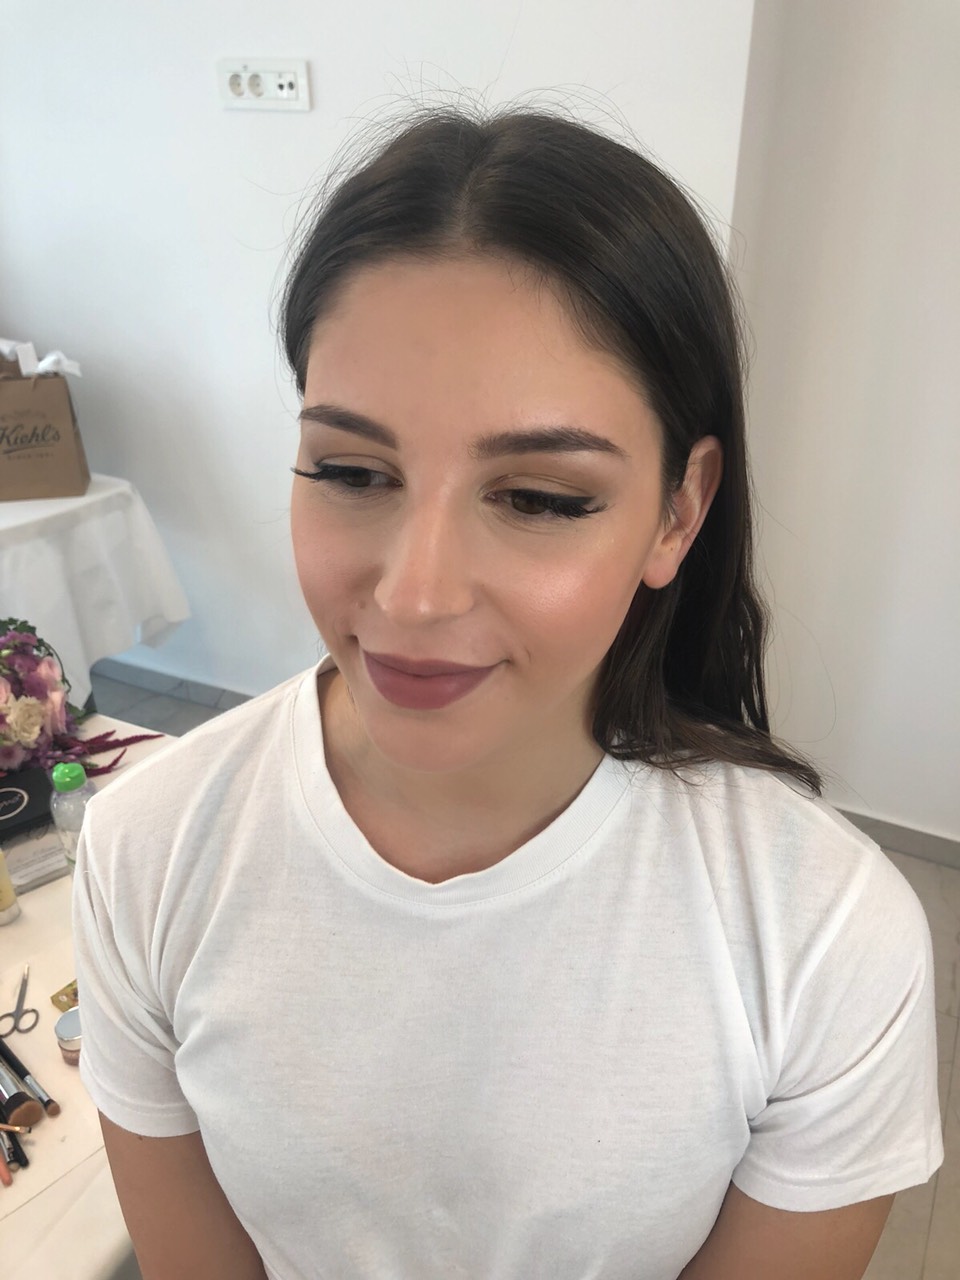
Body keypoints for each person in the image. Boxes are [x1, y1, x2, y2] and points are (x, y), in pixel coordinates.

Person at [72, 102, 943, 1280]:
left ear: (678, 510)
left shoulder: (823, 934)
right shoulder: (148, 846)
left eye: (539, 497)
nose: (416, 593)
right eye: (351, 471)